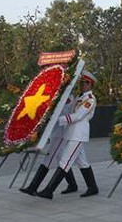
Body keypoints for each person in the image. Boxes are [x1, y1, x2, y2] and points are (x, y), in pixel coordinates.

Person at [34, 71, 99, 199]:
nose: (83, 85)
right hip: (71, 133)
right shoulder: (78, 98)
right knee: (82, 162)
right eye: (82, 83)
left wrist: (59, 120)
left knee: (65, 161)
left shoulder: (90, 99)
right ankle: (92, 187)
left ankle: (49, 190)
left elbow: (79, 115)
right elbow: (68, 110)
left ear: (90, 84)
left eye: (86, 83)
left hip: (79, 134)